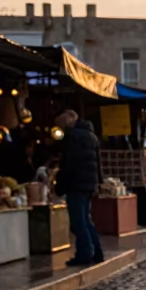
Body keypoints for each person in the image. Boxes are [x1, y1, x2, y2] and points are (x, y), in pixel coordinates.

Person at [53, 109, 103, 266]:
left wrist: (60, 185)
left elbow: (68, 164)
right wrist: (98, 183)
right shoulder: (92, 136)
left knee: (78, 221)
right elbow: (98, 163)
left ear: (69, 120)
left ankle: (85, 253)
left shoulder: (73, 137)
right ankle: (97, 251)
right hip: (88, 183)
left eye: (61, 122)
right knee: (86, 220)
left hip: (76, 183)